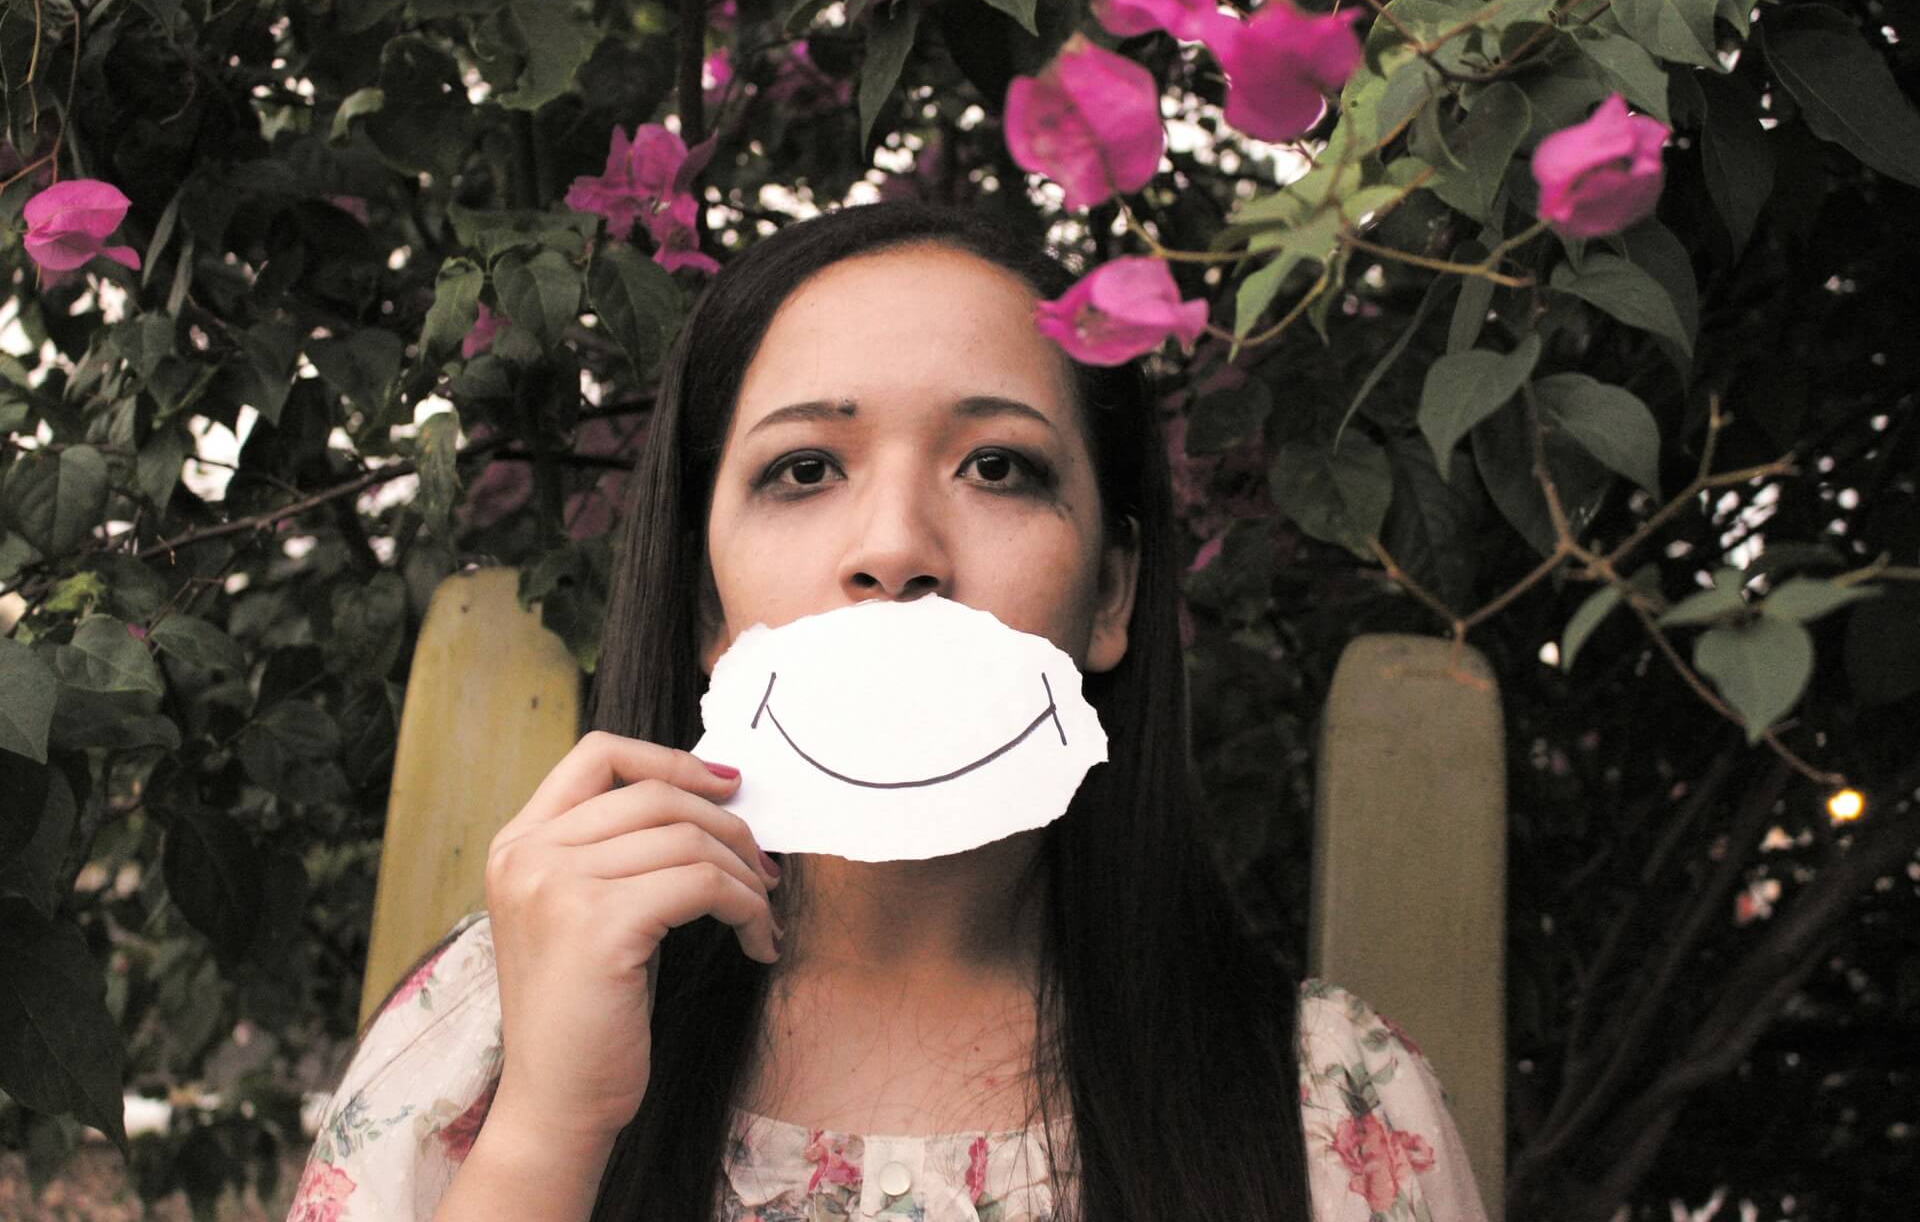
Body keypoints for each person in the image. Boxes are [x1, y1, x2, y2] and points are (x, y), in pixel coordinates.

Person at [286, 201, 1489, 1222]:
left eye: (999, 466)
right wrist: (553, 1124)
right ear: (710, 605)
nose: (898, 548)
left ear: (1113, 591)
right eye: (804, 468)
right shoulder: (498, 1029)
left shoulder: (1329, 1107)